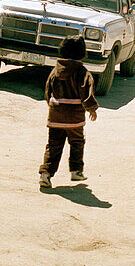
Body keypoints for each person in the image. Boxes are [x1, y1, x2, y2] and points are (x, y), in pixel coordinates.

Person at [39, 36, 98, 189]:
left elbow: (47, 92)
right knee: (77, 142)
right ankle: (76, 171)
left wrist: (53, 108)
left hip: (56, 115)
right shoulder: (82, 72)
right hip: (74, 118)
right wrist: (91, 108)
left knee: (53, 145)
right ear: (82, 52)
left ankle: (45, 174)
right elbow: (87, 93)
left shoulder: (55, 71)